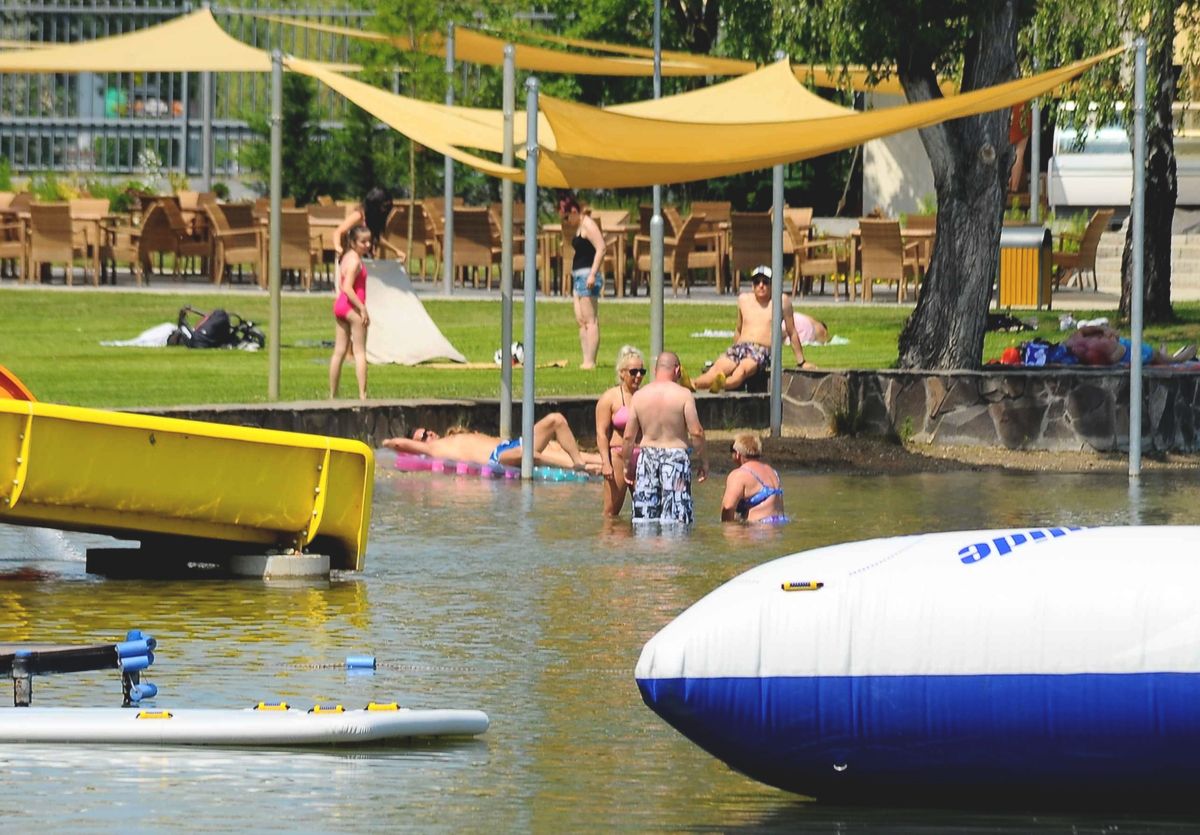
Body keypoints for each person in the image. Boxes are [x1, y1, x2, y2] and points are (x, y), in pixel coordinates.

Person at [693, 265, 814, 393]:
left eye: (765, 282)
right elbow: (739, 329)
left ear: (773, 284)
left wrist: (802, 362)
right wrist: (733, 349)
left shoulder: (781, 301)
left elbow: (792, 332)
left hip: (760, 350)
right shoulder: (744, 300)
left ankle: (721, 385)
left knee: (741, 371)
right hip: (740, 347)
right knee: (717, 369)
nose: (761, 285)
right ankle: (692, 384)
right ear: (752, 285)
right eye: (757, 282)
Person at [621, 351, 708, 524]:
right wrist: (704, 461)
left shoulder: (639, 396)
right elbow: (696, 431)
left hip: (647, 457)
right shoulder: (683, 395)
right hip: (675, 457)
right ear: (677, 370)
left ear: (655, 370)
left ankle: (646, 551)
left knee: (644, 520)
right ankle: (672, 551)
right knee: (677, 521)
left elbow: (628, 436)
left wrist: (626, 465)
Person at [384, 413, 602, 472]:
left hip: (511, 444)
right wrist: (388, 441)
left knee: (556, 420)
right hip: (498, 457)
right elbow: (395, 444)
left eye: (428, 432)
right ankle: (583, 468)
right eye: (422, 437)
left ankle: (605, 460)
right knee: (531, 454)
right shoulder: (432, 450)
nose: (428, 436)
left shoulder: (452, 437)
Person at [595, 345, 646, 516]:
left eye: (642, 371)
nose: (638, 376)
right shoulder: (610, 398)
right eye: (633, 372)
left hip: (642, 456)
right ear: (622, 373)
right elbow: (601, 433)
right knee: (611, 512)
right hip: (617, 456)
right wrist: (605, 463)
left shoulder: (646, 395)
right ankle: (610, 541)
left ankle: (637, 542)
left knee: (645, 511)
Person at [559, 193, 606, 369]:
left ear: (574, 211)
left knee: (590, 320)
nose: (566, 222)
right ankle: (585, 359)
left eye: (566, 217)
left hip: (587, 276)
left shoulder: (588, 224)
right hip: (578, 276)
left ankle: (591, 360)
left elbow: (601, 248)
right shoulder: (579, 226)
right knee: (581, 320)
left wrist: (593, 274)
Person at [329, 225, 372, 400]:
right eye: (363, 242)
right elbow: (347, 287)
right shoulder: (355, 262)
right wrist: (362, 308)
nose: (367, 245)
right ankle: (363, 394)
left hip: (340, 306)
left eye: (369, 241)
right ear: (353, 242)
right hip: (352, 307)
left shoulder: (345, 257)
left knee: (339, 351)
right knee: (360, 352)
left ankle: (333, 394)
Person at [720, 433, 787, 524]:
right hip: (778, 526)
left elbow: (728, 507)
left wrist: (728, 530)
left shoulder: (739, 475)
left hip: (757, 530)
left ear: (737, 454)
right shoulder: (772, 472)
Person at [1063, 323, 1197, 366]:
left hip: (1121, 346)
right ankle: (1176, 359)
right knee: (1152, 355)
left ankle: (1165, 356)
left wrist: (1104, 331)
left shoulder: (1075, 339)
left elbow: (1083, 330)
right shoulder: (1089, 352)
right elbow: (1114, 357)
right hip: (1124, 354)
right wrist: (1113, 341)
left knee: (1146, 350)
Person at [334, 186, 405, 262]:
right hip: (351, 259)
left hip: (364, 259)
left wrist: (396, 250)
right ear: (374, 204)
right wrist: (338, 247)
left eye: (387, 206)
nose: (384, 209)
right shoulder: (359, 215)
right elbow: (338, 232)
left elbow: (376, 238)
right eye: (383, 206)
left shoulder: (374, 218)